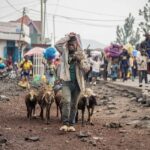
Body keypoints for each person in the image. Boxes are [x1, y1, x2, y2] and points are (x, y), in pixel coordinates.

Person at [55, 32, 90, 132]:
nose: (71, 45)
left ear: (76, 44)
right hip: (66, 82)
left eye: (73, 43)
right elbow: (57, 44)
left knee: (74, 104)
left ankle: (71, 124)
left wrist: (79, 61)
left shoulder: (81, 54)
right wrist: (68, 37)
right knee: (66, 101)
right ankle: (65, 123)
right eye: (69, 43)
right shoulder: (64, 52)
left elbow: (87, 68)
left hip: (77, 84)